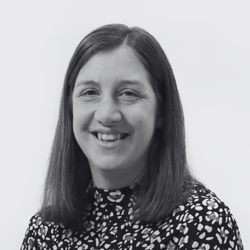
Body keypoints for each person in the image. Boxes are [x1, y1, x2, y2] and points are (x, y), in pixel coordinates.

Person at [21, 24, 244, 250]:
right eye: (90, 93)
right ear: (70, 108)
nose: (107, 114)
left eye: (129, 93)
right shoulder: (45, 231)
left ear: (161, 112)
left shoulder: (201, 223)